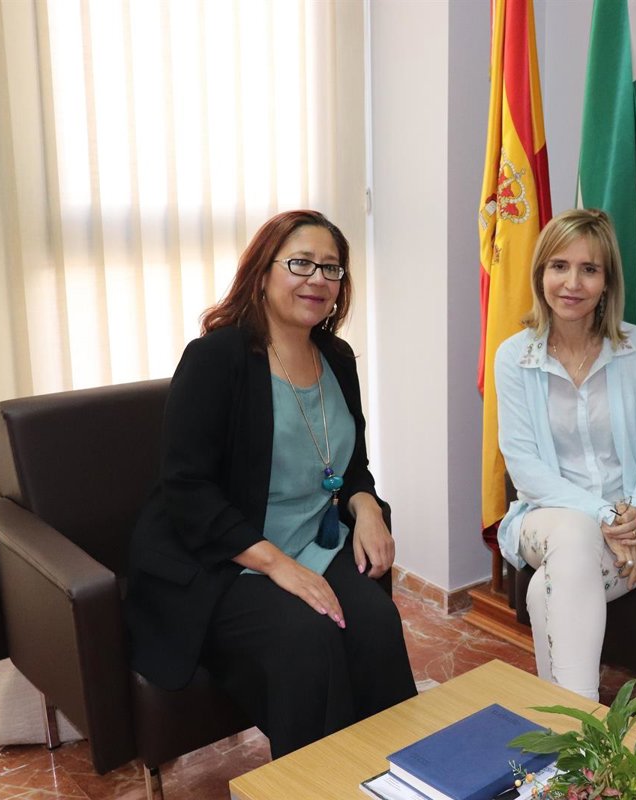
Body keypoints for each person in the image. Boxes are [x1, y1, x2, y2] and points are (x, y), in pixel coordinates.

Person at [126, 210, 416, 758]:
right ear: (262, 273)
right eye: (300, 263)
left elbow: (350, 465)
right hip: (222, 560)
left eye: (331, 268)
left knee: (377, 623)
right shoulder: (216, 359)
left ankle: (396, 777)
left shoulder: (337, 358)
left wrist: (368, 508)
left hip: (311, 545)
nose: (317, 279)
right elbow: (187, 489)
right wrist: (278, 566)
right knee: (308, 639)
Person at [495, 208, 636, 701]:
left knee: (544, 590)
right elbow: (526, 471)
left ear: (607, 281)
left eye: (589, 269)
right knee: (573, 532)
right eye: (559, 266)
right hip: (547, 519)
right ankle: (586, 725)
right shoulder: (514, 357)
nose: (572, 283)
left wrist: (635, 515)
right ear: (541, 273)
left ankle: (570, 728)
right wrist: (605, 516)